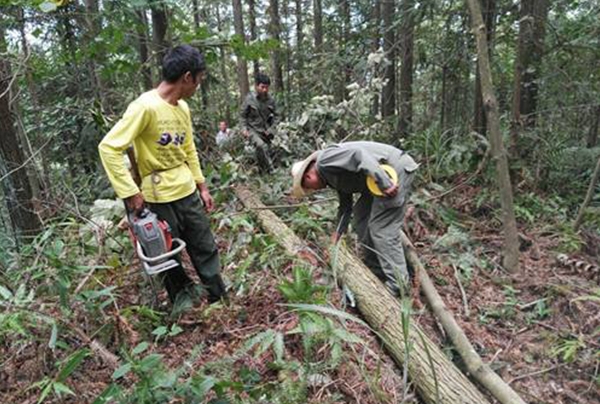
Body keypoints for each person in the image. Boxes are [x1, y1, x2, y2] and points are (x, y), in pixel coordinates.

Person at [98, 45, 227, 304]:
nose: (197, 86)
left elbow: (188, 148)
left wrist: (202, 186)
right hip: (158, 196)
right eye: (198, 80)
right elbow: (109, 147)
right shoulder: (144, 107)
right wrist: (131, 193)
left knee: (204, 246)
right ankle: (184, 303)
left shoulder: (183, 108)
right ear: (187, 77)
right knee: (166, 255)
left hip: (187, 191)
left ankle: (218, 297)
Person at [291, 141, 419, 295]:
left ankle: (399, 284)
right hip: (374, 182)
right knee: (361, 217)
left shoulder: (325, 161)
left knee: (382, 229)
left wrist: (384, 183)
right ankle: (377, 268)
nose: (314, 189)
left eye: (310, 187)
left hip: (391, 172)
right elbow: (346, 206)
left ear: (309, 176)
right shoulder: (330, 175)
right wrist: (338, 233)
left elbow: (358, 154)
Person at [240, 73, 279, 173]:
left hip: (266, 131)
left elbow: (277, 116)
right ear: (257, 86)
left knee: (265, 151)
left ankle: (262, 171)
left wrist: (272, 129)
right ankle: (271, 171)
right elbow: (243, 116)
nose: (265, 90)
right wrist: (244, 129)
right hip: (253, 130)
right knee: (261, 146)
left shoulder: (271, 100)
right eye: (262, 87)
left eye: (267, 87)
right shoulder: (249, 99)